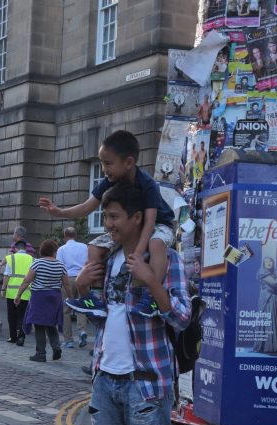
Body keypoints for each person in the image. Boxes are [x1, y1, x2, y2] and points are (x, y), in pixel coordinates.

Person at [75, 182, 190, 425]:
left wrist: (151, 282)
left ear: (137, 218)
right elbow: (104, 319)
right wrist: (83, 288)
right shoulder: (106, 260)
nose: (108, 226)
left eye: (114, 218)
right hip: (106, 381)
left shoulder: (165, 258)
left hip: (147, 383)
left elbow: (181, 317)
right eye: (105, 217)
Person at [39, 130, 175, 318]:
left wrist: (137, 254)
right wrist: (58, 212)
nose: (104, 168)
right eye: (102, 163)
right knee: (94, 247)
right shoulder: (109, 181)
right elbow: (87, 207)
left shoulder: (147, 184)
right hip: (130, 228)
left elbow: (150, 222)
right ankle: (94, 299)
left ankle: (152, 298)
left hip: (160, 224)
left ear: (128, 162)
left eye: (108, 163)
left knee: (156, 244)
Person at [14, 239, 70, 362]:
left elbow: (27, 281)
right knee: (51, 324)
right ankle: (56, 348)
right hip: (55, 297)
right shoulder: (61, 265)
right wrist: (70, 298)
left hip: (39, 297)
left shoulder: (37, 264)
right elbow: (66, 283)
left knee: (39, 324)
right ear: (54, 252)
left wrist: (18, 295)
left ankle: (40, 353)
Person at [56, 226, 89, 349]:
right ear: (75, 235)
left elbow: (60, 267)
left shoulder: (62, 249)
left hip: (68, 279)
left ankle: (68, 340)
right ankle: (82, 330)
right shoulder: (84, 247)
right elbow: (88, 262)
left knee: (66, 310)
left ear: (65, 236)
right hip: (82, 278)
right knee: (82, 307)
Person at [2, 240, 33, 345]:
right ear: (25, 248)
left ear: (15, 248)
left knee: (12, 316)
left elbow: (7, 275)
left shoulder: (11, 258)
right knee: (23, 316)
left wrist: (3, 289)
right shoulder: (32, 259)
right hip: (26, 292)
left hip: (11, 292)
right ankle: (21, 337)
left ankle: (13, 336)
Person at [254, 257, 277, 353]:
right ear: (264, 264)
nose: (269, 263)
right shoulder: (263, 272)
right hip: (266, 298)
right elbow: (275, 284)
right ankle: (265, 346)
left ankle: (271, 345)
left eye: (271, 261)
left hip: (272, 297)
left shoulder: (271, 273)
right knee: (267, 320)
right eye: (266, 262)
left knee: (272, 320)